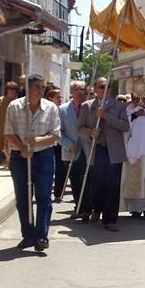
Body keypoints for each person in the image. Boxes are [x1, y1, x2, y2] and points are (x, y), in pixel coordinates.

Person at [5, 75, 60, 251]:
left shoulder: (51, 108)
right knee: (23, 198)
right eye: (37, 86)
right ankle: (28, 235)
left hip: (43, 156)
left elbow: (55, 136)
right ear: (27, 88)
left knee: (43, 197)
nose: (40, 90)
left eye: (42, 87)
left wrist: (37, 140)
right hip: (19, 158)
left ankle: (41, 236)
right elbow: (8, 132)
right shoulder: (14, 107)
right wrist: (21, 147)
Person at [77, 77, 129, 232]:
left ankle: (110, 219)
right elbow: (79, 128)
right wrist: (90, 132)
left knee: (113, 185)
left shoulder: (119, 106)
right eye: (101, 86)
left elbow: (125, 126)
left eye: (107, 86)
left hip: (114, 151)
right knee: (97, 184)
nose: (104, 89)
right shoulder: (87, 106)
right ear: (95, 89)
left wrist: (107, 117)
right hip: (97, 149)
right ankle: (97, 209)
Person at [57, 81, 87, 212]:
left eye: (82, 89)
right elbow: (58, 131)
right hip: (72, 151)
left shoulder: (90, 108)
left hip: (88, 150)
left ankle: (88, 208)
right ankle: (79, 207)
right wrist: (69, 144)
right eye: (76, 89)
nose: (79, 92)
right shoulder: (63, 109)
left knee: (89, 181)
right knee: (76, 182)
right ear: (71, 92)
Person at [0, 81, 19, 167]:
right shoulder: (1, 100)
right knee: (3, 145)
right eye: (10, 91)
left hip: (14, 126)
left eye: (14, 91)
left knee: (12, 143)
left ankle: (9, 160)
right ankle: (8, 159)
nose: (12, 93)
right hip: (3, 125)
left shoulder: (18, 101)